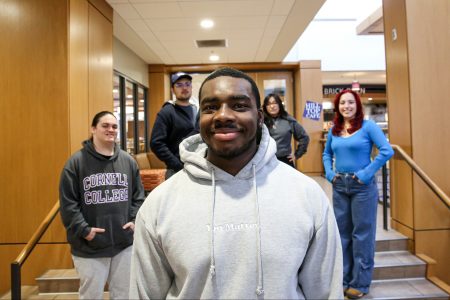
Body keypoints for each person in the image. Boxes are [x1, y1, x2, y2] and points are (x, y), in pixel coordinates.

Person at [130, 67, 343, 299]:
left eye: (239, 106)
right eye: (210, 108)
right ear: (199, 118)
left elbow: (325, 292)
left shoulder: (306, 194)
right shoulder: (160, 204)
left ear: (260, 117)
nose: (223, 116)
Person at [59, 111, 145, 299]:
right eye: (105, 126)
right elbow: (68, 204)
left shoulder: (128, 161)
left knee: (124, 294)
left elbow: (138, 196)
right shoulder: (75, 163)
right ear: (93, 129)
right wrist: (84, 230)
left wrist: (134, 219)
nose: (111, 130)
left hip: (124, 243)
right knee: (91, 295)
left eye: (114, 126)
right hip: (90, 246)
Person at [322, 90, 394, 299]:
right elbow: (327, 153)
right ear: (338, 106)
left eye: (351, 102)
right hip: (339, 186)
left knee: (362, 235)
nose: (347, 106)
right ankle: (343, 280)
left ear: (357, 105)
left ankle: (360, 283)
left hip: (362, 186)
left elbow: (387, 151)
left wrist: (366, 173)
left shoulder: (368, 126)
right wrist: (329, 173)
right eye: (343, 103)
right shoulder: (334, 129)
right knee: (342, 236)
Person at [150, 72, 198, 179]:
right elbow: (156, 143)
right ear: (172, 90)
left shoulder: (196, 110)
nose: (184, 87)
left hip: (197, 168)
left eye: (187, 84)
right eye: (179, 85)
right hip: (177, 171)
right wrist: (177, 165)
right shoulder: (167, 111)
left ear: (191, 87)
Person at [263, 93, 310, 168]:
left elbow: (304, 138)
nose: (272, 106)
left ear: (279, 105)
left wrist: (297, 154)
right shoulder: (260, 122)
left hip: (284, 161)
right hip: (265, 162)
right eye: (268, 104)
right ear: (265, 107)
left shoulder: (289, 120)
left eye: (275, 103)